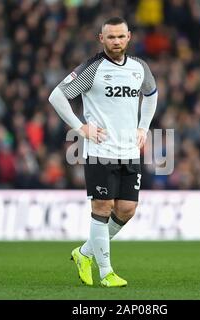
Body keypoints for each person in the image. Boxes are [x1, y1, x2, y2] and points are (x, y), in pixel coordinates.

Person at [48, 17, 158, 287]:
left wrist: (143, 128)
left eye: (121, 36)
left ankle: (84, 253)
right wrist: (80, 127)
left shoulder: (139, 68)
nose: (116, 41)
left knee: (127, 209)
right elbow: (57, 96)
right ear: (101, 39)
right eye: (111, 37)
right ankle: (106, 272)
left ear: (129, 37)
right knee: (103, 207)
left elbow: (152, 94)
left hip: (129, 150)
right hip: (100, 150)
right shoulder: (93, 68)